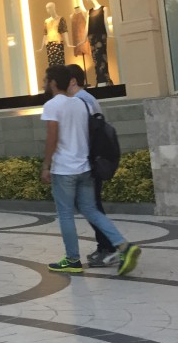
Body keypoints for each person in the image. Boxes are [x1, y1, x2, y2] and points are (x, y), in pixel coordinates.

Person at [41, 64, 139, 275]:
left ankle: (72, 259)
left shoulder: (52, 105)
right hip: (85, 167)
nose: (45, 83)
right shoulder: (80, 104)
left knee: (65, 214)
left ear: (54, 82)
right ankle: (124, 245)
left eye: (46, 79)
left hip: (64, 169)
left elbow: (52, 137)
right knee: (91, 210)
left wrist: (46, 165)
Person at [65, 64, 115, 267]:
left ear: (72, 81)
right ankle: (105, 246)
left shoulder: (80, 101)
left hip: (88, 161)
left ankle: (111, 247)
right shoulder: (86, 99)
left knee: (91, 205)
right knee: (91, 205)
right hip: (90, 160)